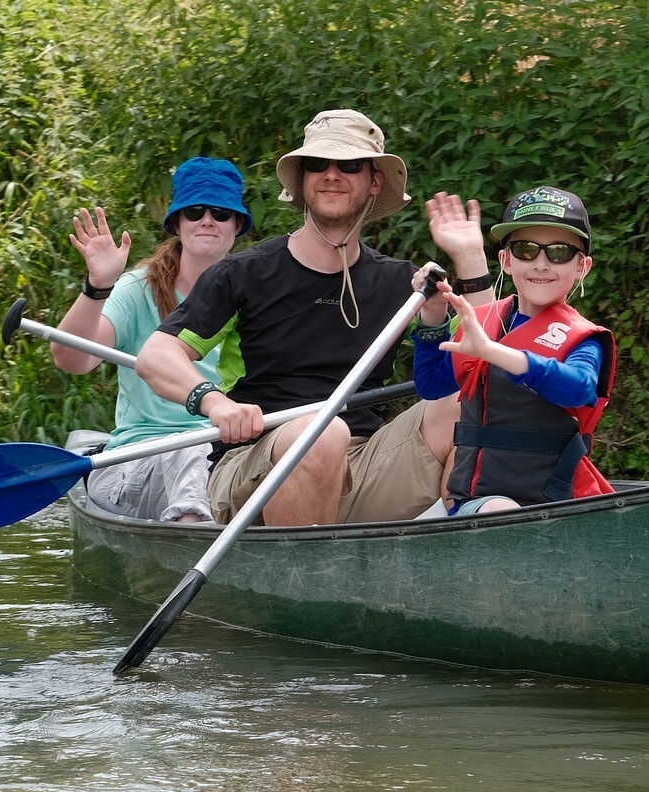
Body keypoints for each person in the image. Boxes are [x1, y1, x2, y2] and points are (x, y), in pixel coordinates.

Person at [136, 109, 494, 526]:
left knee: (466, 401)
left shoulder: (401, 283)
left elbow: (490, 357)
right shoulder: (242, 274)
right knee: (322, 434)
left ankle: (462, 548)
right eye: (317, 164)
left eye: (349, 165)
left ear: (374, 181)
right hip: (255, 462)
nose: (331, 174)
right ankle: (296, 579)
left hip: (364, 463)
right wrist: (214, 402)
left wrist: (469, 258)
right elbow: (156, 356)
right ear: (302, 181)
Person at [51, 157, 253, 522]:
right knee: (192, 455)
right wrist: (98, 286)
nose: (208, 220)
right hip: (138, 458)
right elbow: (73, 360)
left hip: (228, 455)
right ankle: (192, 545)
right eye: (195, 211)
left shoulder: (259, 292)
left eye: (221, 213)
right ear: (178, 222)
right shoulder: (138, 288)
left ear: (237, 224)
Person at [410, 185, 617, 515]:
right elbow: (431, 385)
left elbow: (579, 388)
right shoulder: (482, 322)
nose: (541, 264)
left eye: (559, 252)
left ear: (582, 267)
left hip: (554, 504)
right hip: (480, 505)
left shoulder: (583, 338)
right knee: (499, 510)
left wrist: (494, 352)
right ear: (506, 260)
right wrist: (432, 316)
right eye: (525, 250)